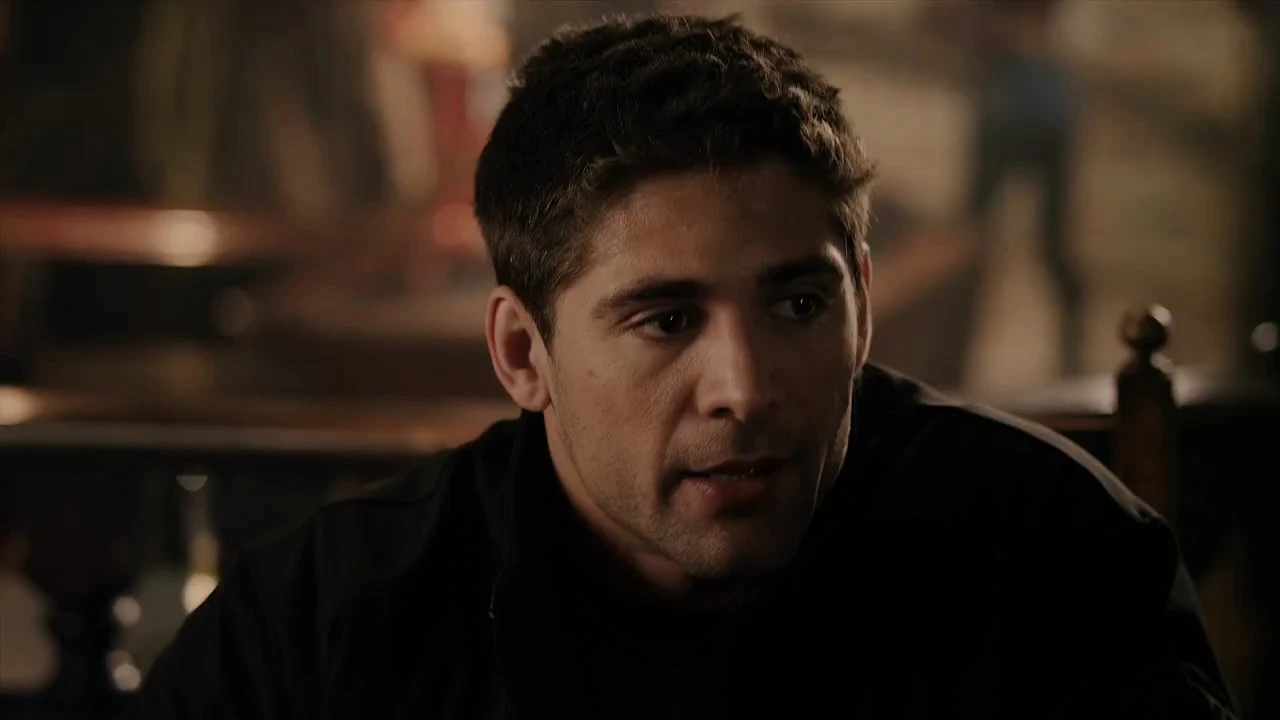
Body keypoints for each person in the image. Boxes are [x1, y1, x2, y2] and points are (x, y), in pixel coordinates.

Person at [124, 14, 1236, 719]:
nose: (745, 388)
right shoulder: (332, 620)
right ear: (522, 353)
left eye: (797, 304)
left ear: (860, 303)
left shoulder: (1051, 553)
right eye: (665, 321)